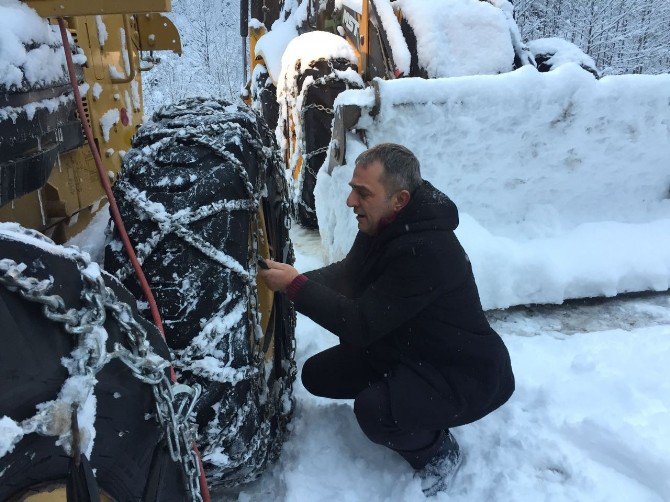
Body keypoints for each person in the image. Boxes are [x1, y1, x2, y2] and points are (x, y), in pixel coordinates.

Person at [259, 143, 514, 495]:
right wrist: (291, 283)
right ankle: (406, 396)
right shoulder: (384, 225)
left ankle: (436, 451)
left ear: (400, 199)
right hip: (410, 348)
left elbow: (361, 325)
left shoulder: (426, 251)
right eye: (352, 188)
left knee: (375, 412)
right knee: (317, 376)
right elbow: (349, 275)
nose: (350, 201)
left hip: (463, 372)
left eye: (362, 193)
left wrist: (296, 288)